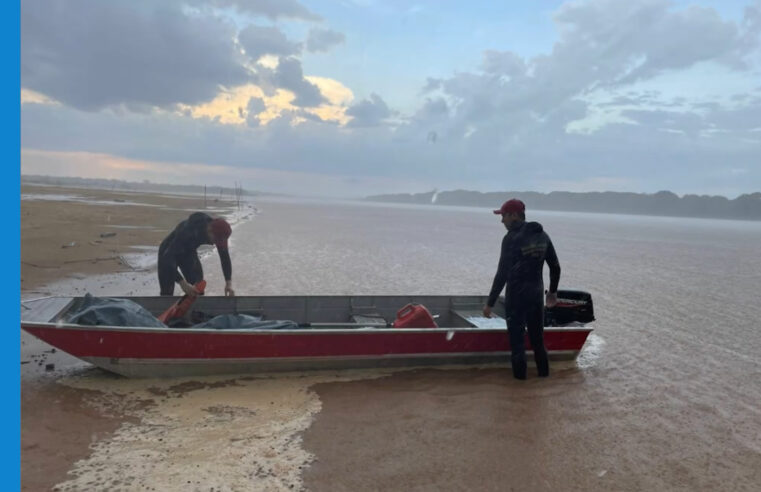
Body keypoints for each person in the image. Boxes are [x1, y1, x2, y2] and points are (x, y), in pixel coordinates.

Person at [483, 199, 560, 380]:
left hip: (516, 297)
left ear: (514, 215)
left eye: (503, 216)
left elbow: (502, 274)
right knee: (538, 342)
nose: (502, 221)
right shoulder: (543, 236)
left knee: (518, 345)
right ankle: (543, 380)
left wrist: (489, 304)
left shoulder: (511, 239)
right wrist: (552, 293)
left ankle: (520, 388)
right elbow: (555, 267)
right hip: (535, 295)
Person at [158, 212, 235, 297]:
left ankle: (192, 308)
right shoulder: (188, 231)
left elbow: (225, 257)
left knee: (198, 289)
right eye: (215, 240)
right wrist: (183, 284)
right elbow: (168, 257)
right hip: (168, 252)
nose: (214, 244)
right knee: (167, 294)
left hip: (188, 253)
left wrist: (228, 283)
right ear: (209, 230)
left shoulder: (218, 231)